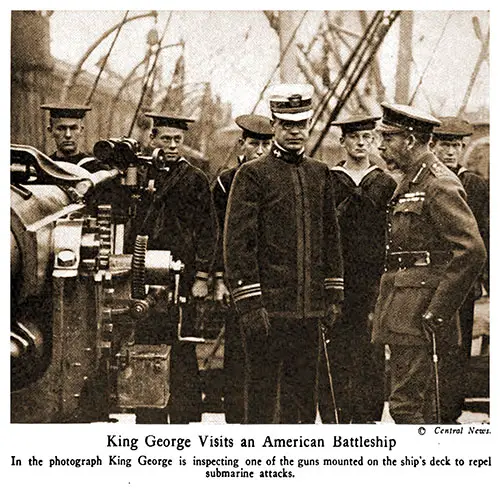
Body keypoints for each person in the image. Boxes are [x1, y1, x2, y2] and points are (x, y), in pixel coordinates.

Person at [224, 84, 344, 424]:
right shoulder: (253, 175)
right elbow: (237, 244)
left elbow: (330, 238)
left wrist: (333, 295)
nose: (295, 132)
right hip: (268, 312)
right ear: (274, 126)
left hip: (309, 311)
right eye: (287, 125)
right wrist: (249, 304)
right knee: (261, 401)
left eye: (301, 125)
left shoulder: (319, 173)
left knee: (303, 403)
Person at [372, 103, 486, 424]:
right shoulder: (411, 180)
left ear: (409, 140)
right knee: (410, 404)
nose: (380, 145)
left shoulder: (438, 184)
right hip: (404, 309)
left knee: (410, 406)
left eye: (388, 138)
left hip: (421, 313)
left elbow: (471, 250)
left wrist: (438, 310)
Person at [134, 113, 218, 424]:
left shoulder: (194, 179)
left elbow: (209, 231)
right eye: (165, 139)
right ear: (152, 138)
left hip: (182, 278)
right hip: (142, 276)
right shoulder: (139, 176)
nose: (171, 146)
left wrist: (202, 277)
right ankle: (148, 415)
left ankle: (182, 421)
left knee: (182, 349)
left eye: (177, 140)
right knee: (146, 344)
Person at [318, 115, 396, 424]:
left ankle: (366, 414)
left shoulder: (385, 182)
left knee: (370, 344)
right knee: (335, 342)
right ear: (343, 142)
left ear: (375, 141)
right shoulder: (329, 180)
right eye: (354, 138)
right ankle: (335, 412)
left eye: (367, 138)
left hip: (373, 277)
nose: (361, 143)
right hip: (338, 275)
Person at [212, 114, 273, 423]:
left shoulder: (277, 179)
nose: (260, 151)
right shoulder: (225, 182)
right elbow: (219, 235)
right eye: (254, 144)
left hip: (272, 278)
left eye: (265, 144)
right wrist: (220, 278)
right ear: (242, 145)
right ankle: (236, 416)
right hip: (239, 277)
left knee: (270, 349)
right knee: (237, 348)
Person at [430, 117, 489, 423]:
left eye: (455, 145)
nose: (450, 152)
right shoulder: (427, 181)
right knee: (428, 346)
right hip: (430, 281)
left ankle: (450, 412)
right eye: (444, 145)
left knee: (458, 347)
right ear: (433, 146)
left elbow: (486, 235)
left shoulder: (475, 186)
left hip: (463, 282)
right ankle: (431, 409)